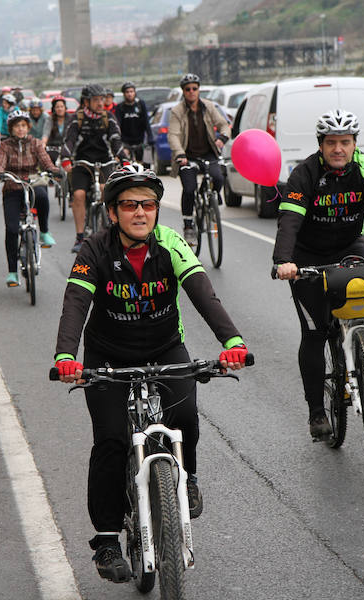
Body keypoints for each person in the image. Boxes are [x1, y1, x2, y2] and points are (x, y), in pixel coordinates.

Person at [53, 164, 250, 583]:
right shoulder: (95, 250)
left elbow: (202, 293)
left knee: (185, 415)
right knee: (110, 438)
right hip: (108, 355)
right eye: (129, 205)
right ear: (112, 212)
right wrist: (66, 356)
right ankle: (106, 540)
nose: (140, 212)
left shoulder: (171, 244)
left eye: (148, 204)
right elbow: (75, 302)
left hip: (164, 347)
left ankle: (188, 477)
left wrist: (232, 342)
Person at [271, 109, 364, 439]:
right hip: (308, 256)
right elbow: (289, 221)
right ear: (321, 145)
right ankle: (316, 411)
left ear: (354, 145)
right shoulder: (305, 174)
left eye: (345, 142)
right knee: (315, 332)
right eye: (332, 142)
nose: (339, 149)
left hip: (351, 246)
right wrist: (284, 260)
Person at [0, 111, 60, 286]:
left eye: (23, 125)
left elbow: (45, 160)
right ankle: (12, 272)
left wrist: (53, 169)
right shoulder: (5, 146)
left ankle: (44, 232)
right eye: (17, 126)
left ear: (28, 127)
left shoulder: (36, 143)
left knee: (43, 197)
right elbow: (0, 162)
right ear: (11, 129)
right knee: (12, 229)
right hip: (12, 185)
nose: (20, 129)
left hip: (33, 182)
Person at [60, 83, 127, 253]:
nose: (100, 103)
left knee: (107, 190)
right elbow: (70, 140)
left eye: (102, 99)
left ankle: (112, 229)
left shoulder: (109, 117)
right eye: (96, 100)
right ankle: (80, 236)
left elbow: (116, 140)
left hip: (105, 161)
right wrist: (65, 157)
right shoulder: (77, 118)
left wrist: (125, 158)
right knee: (79, 195)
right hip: (83, 163)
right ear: (86, 102)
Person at [167, 73, 231, 246]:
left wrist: (222, 138)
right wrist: (180, 154)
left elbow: (224, 124)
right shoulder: (177, 111)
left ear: (199, 89)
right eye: (187, 89)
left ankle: (208, 195)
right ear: (183, 91)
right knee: (189, 188)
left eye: (194, 88)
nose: (191, 92)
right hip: (187, 156)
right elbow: (173, 135)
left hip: (208, 153)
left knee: (218, 178)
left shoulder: (208, 106)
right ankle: (188, 225)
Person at [113, 81, 154, 163]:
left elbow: (146, 122)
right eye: (127, 92)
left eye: (131, 91)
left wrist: (150, 137)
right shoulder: (120, 107)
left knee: (143, 163)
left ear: (135, 92)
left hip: (139, 141)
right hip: (125, 142)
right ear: (124, 94)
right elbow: (117, 125)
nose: (129, 94)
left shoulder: (140, 105)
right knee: (123, 161)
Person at [43, 96, 68, 163]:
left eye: (62, 106)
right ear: (54, 109)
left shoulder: (71, 119)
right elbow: (46, 133)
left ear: (65, 108)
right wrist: (43, 144)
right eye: (57, 107)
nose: (60, 109)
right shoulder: (50, 119)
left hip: (67, 149)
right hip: (53, 149)